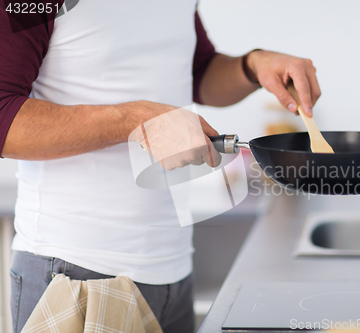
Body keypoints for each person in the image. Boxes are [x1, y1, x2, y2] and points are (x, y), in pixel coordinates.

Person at [0, 1, 321, 332]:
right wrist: (136, 119)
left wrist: (253, 64)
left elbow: (196, 70)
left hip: (173, 270)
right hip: (77, 272)